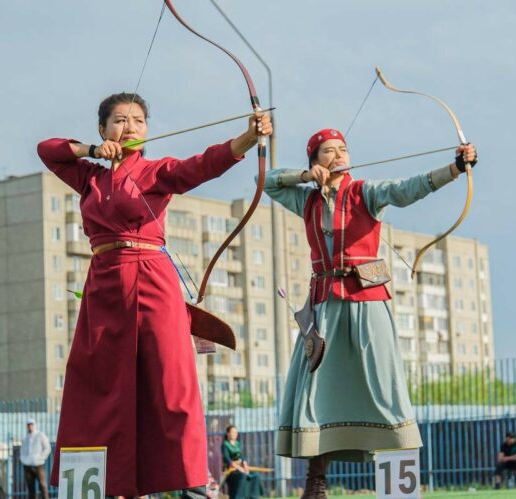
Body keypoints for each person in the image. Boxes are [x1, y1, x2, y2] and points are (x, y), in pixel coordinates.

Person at [38, 92, 272, 498]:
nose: (130, 127)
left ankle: (195, 486)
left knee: (171, 382)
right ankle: (119, 487)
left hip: (151, 280)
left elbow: (203, 165)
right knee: (100, 386)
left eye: (138, 121)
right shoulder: (89, 176)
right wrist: (92, 151)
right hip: (104, 285)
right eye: (120, 121)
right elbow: (49, 150)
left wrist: (247, 139)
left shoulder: (158, 171)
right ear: (103, 129)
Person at [263, 128, 477, 498]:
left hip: (367, 300)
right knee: (316, 389)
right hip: (324, 305)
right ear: (315, 162)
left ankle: (399, 487)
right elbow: (264, 182)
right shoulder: (307, 201)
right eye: (328, 151)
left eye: (343, 149)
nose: (339, 154)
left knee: (384, 383)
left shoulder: (365, 192)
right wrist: (302, 178)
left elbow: (408, 188)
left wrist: (456, 168)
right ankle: (316, 483)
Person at [221, 425, 263, 499]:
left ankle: (254, 496)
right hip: (231, 470)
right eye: (233, 432)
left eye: (236, 432)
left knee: (255, 475)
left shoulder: (238, 444)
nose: (235, 434)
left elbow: (242, 456)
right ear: (228, 433)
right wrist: (239, 468)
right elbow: (227, 459)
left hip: (241, 468)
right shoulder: (225, 445)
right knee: (242, 475)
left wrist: (245, 464)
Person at [20, 418, 51, 499]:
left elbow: (47, 448)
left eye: (31, 424)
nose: (30, 426)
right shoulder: (25, 437)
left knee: (43, 485)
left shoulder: (40, 435)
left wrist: (41, 458)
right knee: (30, 488)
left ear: (34, 425)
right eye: (28, 425)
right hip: (27, 465)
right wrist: (24, 460)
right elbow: (22, 451)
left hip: (38, 465)